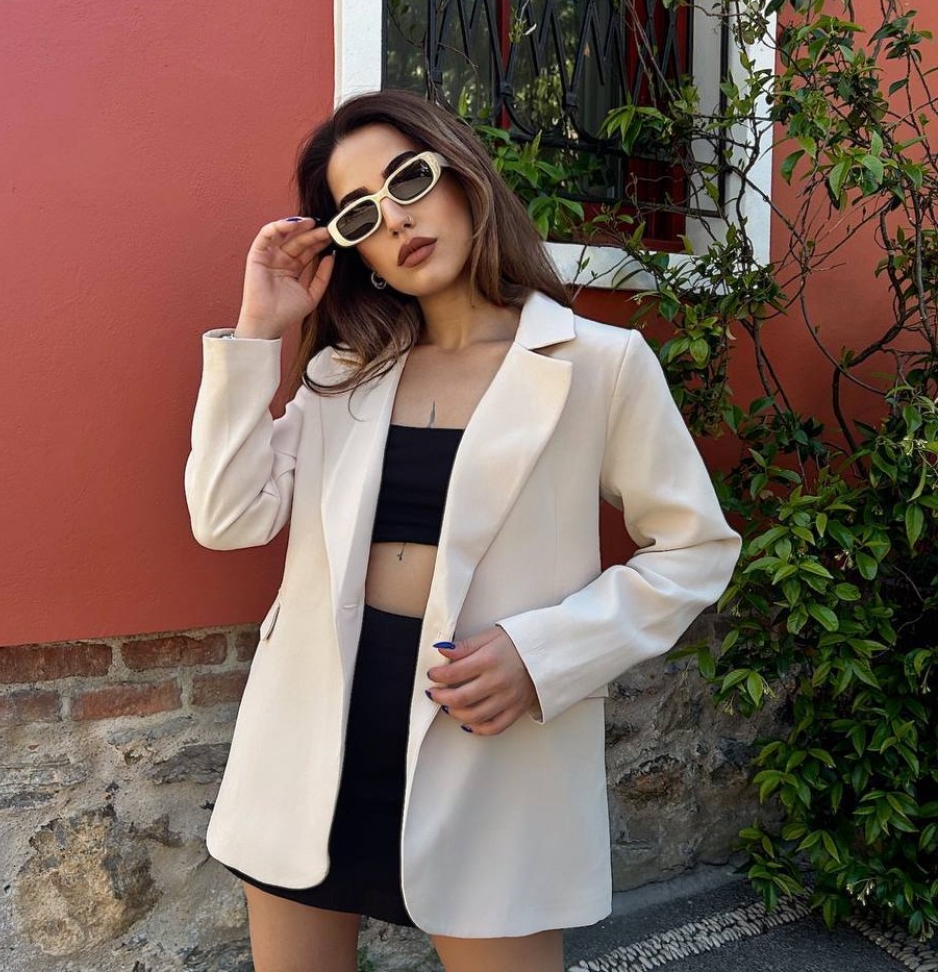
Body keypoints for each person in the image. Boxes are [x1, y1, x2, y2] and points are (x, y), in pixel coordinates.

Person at [184, 88, 742, 972]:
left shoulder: (598, 364)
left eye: (408, 180)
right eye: (361, 215)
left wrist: (543, 655)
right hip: (311, 735)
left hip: (483, 730)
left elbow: (694, 550)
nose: (396, 220)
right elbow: (226, 515)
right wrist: (257, 331)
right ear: (356, 252)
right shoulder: (343, 372)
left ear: (463, 175)